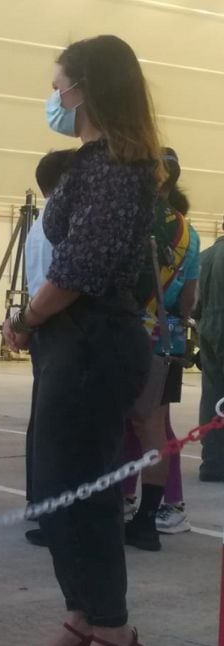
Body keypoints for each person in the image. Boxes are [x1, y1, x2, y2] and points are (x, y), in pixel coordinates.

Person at [4, 34, 160, 646]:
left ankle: (114, 630)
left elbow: (82, 267)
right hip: (72, 341)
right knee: (52, 484)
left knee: (84, 490)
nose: (55, 96)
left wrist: (28, 316)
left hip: (95, 339)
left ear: (87, 88)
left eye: (60, 83)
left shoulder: (119, 167)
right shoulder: (91, 163)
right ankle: (82, 612)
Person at [122, 147, 199, 549]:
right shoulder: (189, 231)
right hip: (166, 339)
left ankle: (118, 502)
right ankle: (149, 518)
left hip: (127, 333)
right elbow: (188, 300)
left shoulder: (131, 218)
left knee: (117, 424)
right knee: (155, 427)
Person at [21, 149, 79, 548]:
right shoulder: (61, 225)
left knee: (45, 421)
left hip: (45, 327)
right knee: (61, 426)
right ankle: (56, 516)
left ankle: (42, 505)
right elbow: (62, 284)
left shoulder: (40, 225)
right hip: (61, 326)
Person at [197, 216, 224, 482]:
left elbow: (193, 304)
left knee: (213, 396)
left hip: (208, 330)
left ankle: (213, 463)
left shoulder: (205, 257)